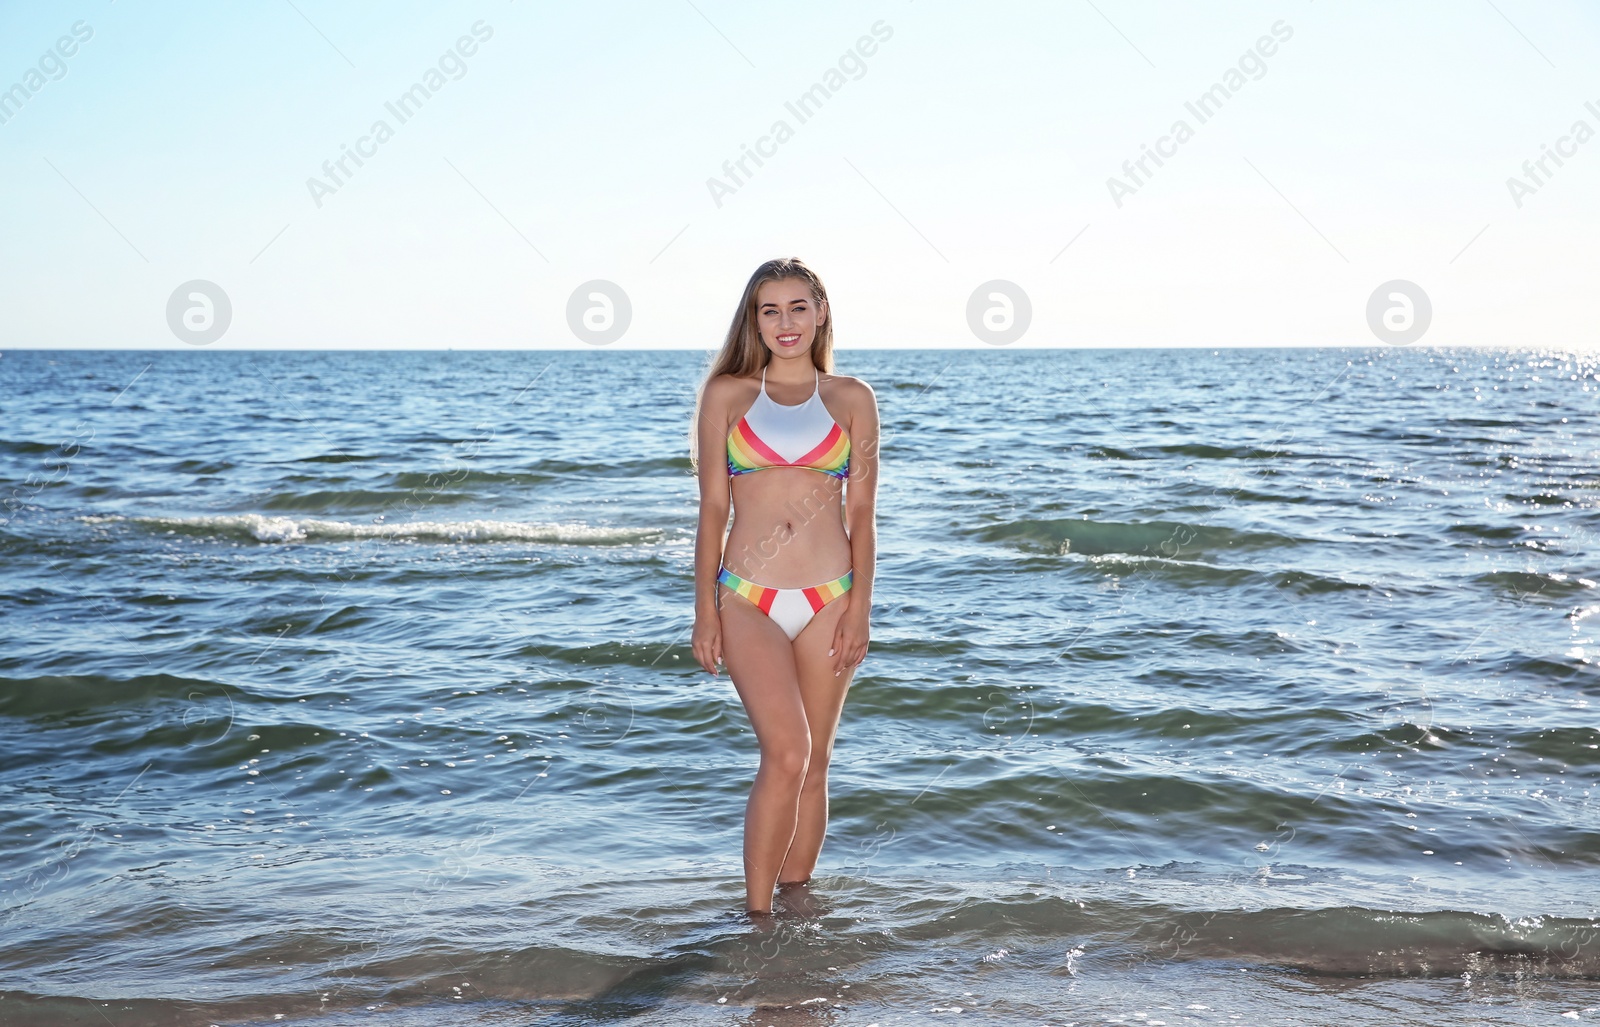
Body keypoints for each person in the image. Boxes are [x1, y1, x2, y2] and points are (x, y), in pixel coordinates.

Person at [689, 257, 880, 916]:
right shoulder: (728, 396)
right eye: (769, 310)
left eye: (798, 307)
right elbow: (713, 508)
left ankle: (797, 906)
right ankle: (757, 917)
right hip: (748, 598)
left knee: (817, 758)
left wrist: (861, 607)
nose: (785, 322)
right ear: (755, 320)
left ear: (820, 311)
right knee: (787, 750)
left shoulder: (853, 399)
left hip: (830, 596)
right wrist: (704, 611)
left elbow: (862, 514)